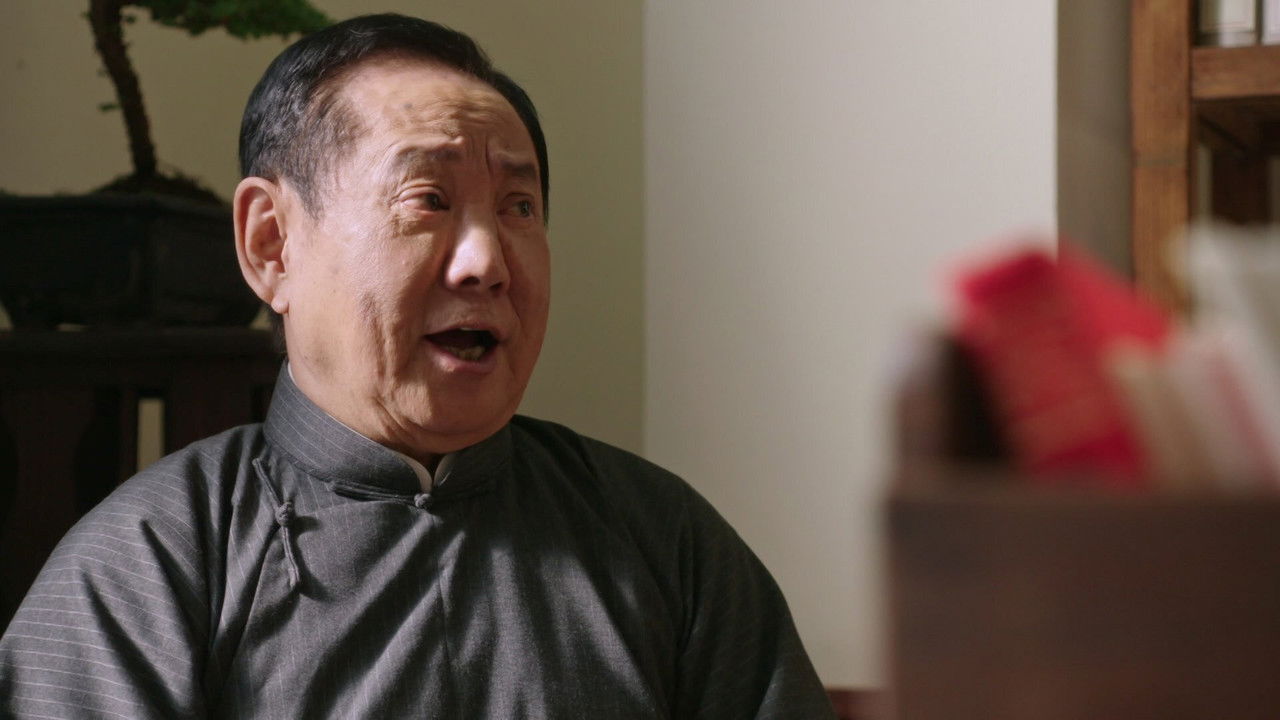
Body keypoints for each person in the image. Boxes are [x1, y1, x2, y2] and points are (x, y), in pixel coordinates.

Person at [0, 14, 835, 719]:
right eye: (427, 199)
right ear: (272, 245)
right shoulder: (147, 566)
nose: (487, 262)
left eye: (518, 207)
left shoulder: (666, 541)